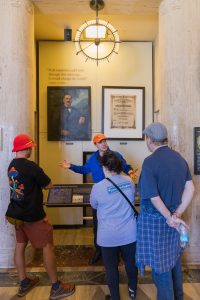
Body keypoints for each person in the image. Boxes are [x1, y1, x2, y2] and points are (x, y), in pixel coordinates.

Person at [5, 134, 75, 299]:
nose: (31, 150)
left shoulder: (12, 165)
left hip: (16, 213)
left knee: (20, 245)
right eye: (30, 147)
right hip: (33, 215)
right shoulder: (31, 167)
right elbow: (48, 184)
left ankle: (24, 282)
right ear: (27, 148)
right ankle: (56, 287)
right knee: (47, 247)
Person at [59, 133, 138, 264]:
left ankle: (118, 251)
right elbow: (84, 170)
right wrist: (71, 166)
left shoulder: (115, 155)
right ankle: (99, 251)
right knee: (98, 226)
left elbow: (125, 166)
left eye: (105, 141)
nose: (104, 143)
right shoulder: (92, 159)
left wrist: (130, 171)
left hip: (116, 195)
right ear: (95, 144)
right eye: (100, 142)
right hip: (101, 197)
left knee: (119, 222)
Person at [136, 122, 195, 300]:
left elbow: (153, 197)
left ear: (151, 140)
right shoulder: (179, 158)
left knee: (161, 269)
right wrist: (176, 214)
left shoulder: (150, 161)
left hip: (156, 223)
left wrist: (170, 217)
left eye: (146, 138)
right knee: (174, 261)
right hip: (173, 222)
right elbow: (190, 188)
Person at [90, 151, 138, 300]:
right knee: (131, 264)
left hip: (107, 236)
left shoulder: (98, 187)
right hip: (130, 233)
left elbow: (94, 205)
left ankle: (115, 297)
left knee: (111, 268)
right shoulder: (129, 181)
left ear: (104, 167)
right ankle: (132, 292)